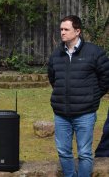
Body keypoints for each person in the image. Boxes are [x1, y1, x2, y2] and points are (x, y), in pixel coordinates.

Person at [47, 15, 109, 177]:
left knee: (84, 153)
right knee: (63, 151)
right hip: (61, 114)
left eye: (66, 29)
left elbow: (106, 78)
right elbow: (54, 79)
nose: (62, 32)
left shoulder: (94, 52)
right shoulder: (56, 55)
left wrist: (93, 97)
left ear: (77, 31)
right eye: (61, 29)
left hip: (85, 113)